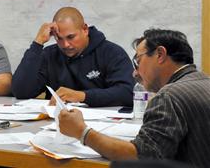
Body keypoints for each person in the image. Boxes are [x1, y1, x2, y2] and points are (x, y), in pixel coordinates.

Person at [58, 29, 210, 167]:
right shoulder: (204, 81)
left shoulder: (169, 97)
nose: (134, 73)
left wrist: (82, 132)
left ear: (160, 54)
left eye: (137, 62)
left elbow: (140, 157)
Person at [12, 7, 134, 107]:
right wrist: (37, 44)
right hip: (56, 125)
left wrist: (82, 96)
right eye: (59, 38)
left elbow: (128, 93)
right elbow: (21, 92)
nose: (65, 45)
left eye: (71, 37)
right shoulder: (49, 55)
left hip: (103, 126)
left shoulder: (111, 53)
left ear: (85, 29)